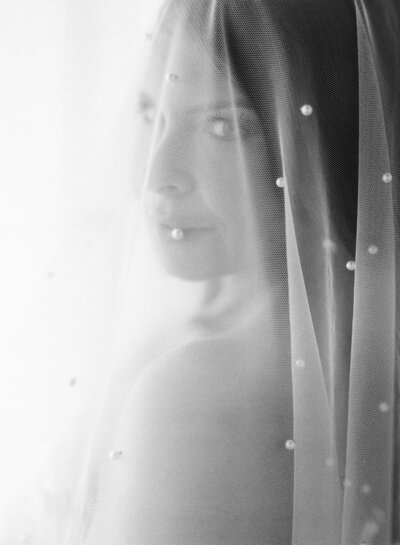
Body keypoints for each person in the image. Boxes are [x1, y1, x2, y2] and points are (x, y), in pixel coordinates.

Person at [64, 0, 400, 543]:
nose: (159, 173)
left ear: (329, 130)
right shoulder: (194, 337)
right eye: (153, 114)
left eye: (222, 125)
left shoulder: (201, 400)